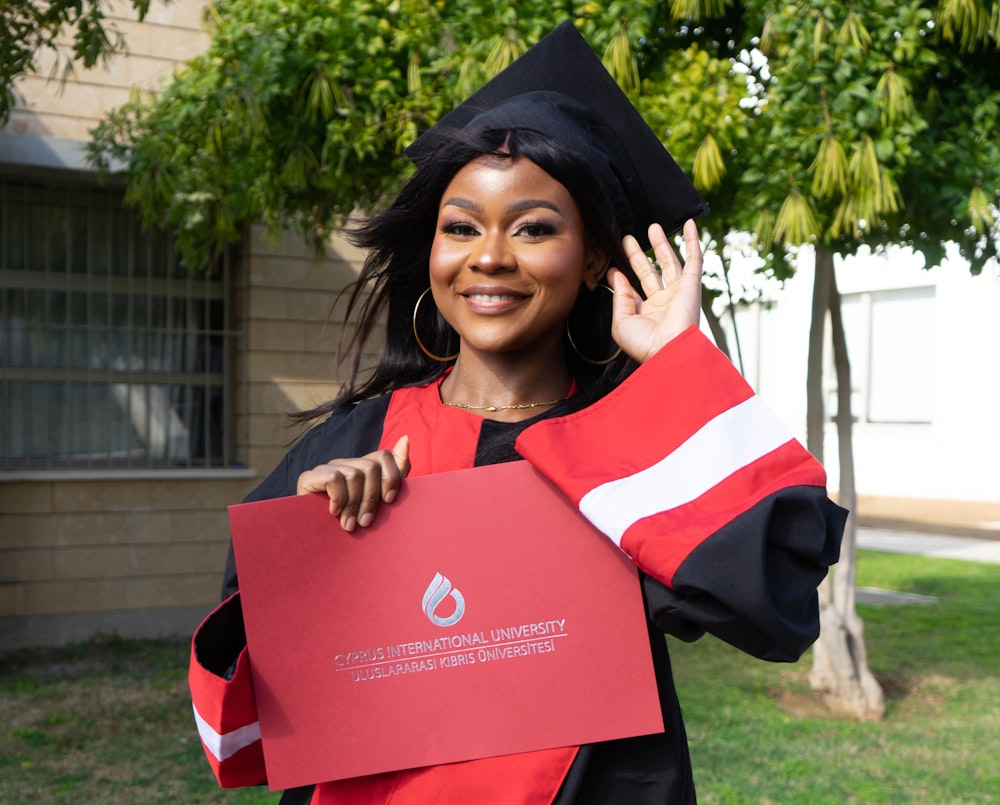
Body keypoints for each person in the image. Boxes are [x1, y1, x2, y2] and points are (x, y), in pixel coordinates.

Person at [189, 21, 845, 805]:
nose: (489, 256)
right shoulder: (351, 445)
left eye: (534, 228)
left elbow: (775, 599)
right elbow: (240, 722)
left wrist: (674, 368)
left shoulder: (635, 451)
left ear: (596, 257)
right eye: (460, 226)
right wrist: (306, 555)